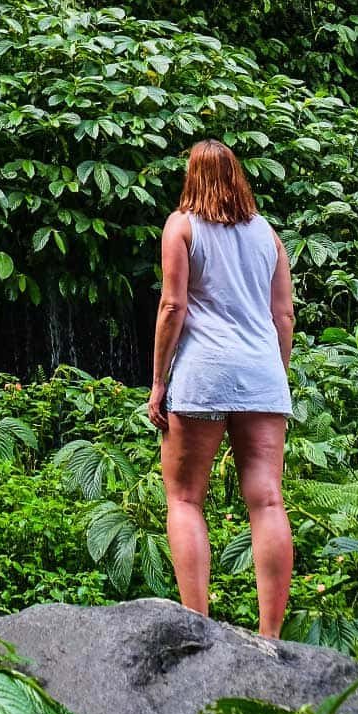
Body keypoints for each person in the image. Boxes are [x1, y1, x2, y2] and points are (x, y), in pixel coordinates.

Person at [147, 138, 296, 638]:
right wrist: (274, 375)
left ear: (192, 177)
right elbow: (284, 316)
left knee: (186, 499)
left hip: (203, 376)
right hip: (262, 373)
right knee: (268, 500)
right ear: (238, 177)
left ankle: (199, 627)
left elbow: (173, 307)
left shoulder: (181, 227)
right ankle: (270, 637)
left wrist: (158, 382)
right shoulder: (267, 235)